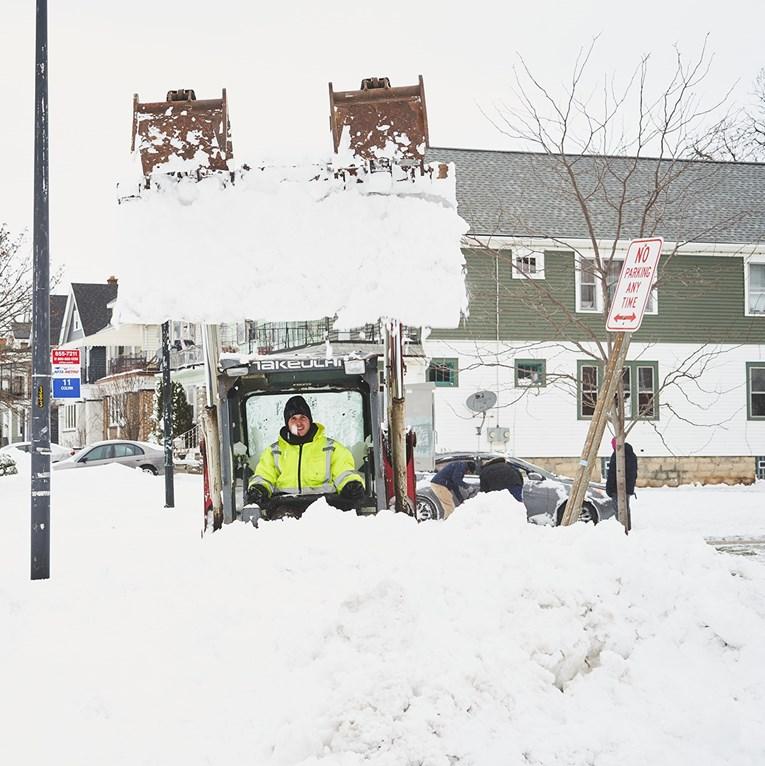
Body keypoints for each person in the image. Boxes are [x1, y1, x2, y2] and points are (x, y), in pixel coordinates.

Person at [247, 395, 365, 516]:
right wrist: (259, 489)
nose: (298, 423)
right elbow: (264, 475)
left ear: (309, 420)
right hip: (286, 505)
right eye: (293, 418)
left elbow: (344, 472)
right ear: (287, 423)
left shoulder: (331, 448)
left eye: (303, 417)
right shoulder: (274, 452)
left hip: (325, 505)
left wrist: (350, 484)